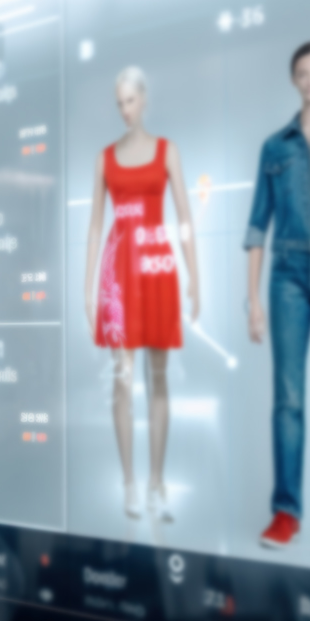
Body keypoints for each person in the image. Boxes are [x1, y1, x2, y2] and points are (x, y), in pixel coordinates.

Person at [82, 65, 199, 524]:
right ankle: (130, 481)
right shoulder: (104, 159)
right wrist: (88, 285)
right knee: (122, 378)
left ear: (144, 99)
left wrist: (195, 274)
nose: (125, 109)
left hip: (156, 267)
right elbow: (96, 225)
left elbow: (184, 216)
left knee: (159, 377)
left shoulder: (168, 152)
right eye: (119, 103)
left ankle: (157, 483)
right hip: (118, 274)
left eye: (130, 100)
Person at [247, 40, 310, 549]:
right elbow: (258, 225)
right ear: (294, 81)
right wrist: (252, 298)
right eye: (304, 73)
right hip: (287, 278)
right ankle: (285, 513)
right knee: (288, 400)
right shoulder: (275, 147)